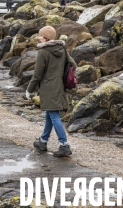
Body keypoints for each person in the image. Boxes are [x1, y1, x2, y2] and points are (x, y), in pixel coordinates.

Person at [26, 25, 77, 157]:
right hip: (59, 86)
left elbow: (37, 74)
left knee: (54, 115)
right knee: (50, 113)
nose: (38, 37)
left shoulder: (44, 52)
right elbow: (73, 65)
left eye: (41, 35)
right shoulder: (62, 49)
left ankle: (64, 145)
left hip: (48, 88)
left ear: (46, 38)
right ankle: (43, 141)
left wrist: (29, 90)